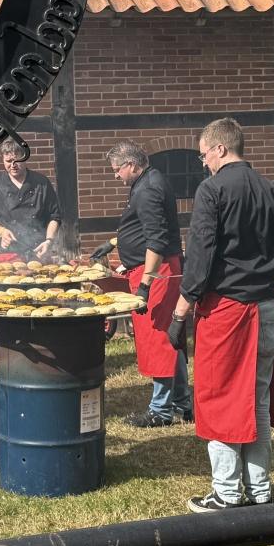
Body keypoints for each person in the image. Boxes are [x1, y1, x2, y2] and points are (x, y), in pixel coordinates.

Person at [169, 117, 274, 512]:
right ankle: (260, 490)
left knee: (219, 398)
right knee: (257, 399)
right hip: (266, 309)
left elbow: (200, 258)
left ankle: (226, 493)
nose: (203, 162)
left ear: (220, 149)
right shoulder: (272, 189)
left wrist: (180, 312)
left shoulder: (211, 191)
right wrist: (260, 273)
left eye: (204, 154)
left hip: (228, 312)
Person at [106, 139, 191, 428]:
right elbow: (143, 231)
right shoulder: (147, 182)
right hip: (153, 269)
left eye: (117, 169)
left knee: (160, 339)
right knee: (171, 337)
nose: (116, 175)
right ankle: (182, 402)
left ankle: (161, 410)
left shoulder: (149, 189)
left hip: (158, 274)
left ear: (131, 165)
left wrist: (144, 285)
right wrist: (114, 245)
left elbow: (155, 240)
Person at [0, 140, 61, 261]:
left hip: (39, 251)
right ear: (3, 159)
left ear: (25, 158)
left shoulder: (42, 183)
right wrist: (1, 231)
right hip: (9, 254)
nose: (13, 165)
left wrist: (49, 241)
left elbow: (55, 216)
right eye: (8, 161)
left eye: (17, 161)